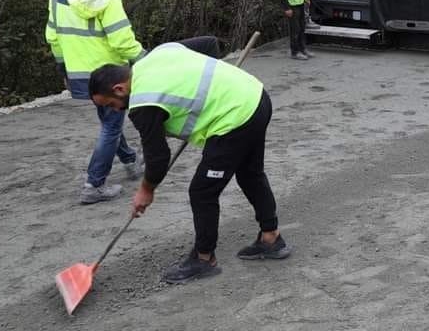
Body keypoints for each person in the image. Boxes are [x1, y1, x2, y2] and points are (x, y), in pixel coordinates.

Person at [89, 40, 291, 284]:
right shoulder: (157, 55)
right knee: (250, 174)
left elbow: (158, 157)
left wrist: (146, 190)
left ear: (119, 88)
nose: (116, 110)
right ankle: (271, 238)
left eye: (111, 105)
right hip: (255, 96)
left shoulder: (143, 102)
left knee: (202, 192)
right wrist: (216, 87)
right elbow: (209, 45)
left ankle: (204, 259)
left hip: (234, 118)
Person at [46, 0, 145, 204]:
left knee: (110, 121)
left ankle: (131, 161)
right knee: (111, 126)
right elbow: (121, 39)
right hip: (110, 74)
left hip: (80, 74)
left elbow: (53, 36)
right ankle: (94, 184)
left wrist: (63, 67)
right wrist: (145, 60)